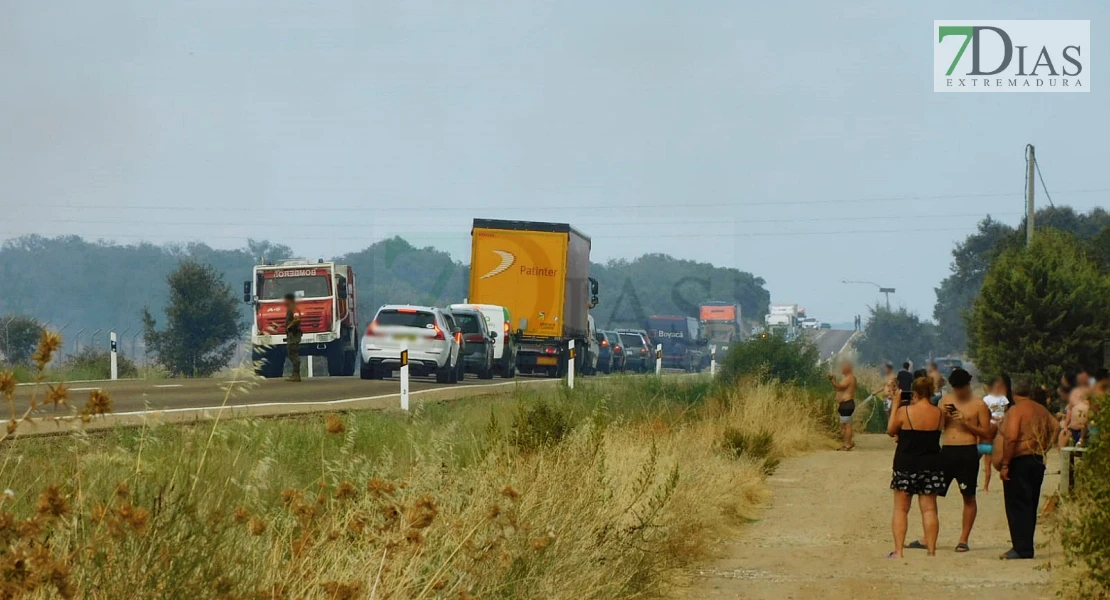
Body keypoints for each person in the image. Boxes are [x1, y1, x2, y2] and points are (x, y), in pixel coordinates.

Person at [908, 367, 991, 553]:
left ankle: (963, 539)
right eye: (955, 388)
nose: (959, 392)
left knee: (968, 495)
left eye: (962, 388)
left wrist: (966, 422)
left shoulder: (979, 405)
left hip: (967, 451)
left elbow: (987, 433)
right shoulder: (945, 401)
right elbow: (936, 426)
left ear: (968, 385)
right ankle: (928, 536)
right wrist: (943, 417)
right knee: (931, 493)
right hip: (946, 451)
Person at [994, 377, 1059, 560]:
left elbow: (1011, 438)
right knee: (1030, 503)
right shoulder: (1042, 410)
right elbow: (1056, 427)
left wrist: (1005, 464)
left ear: (1014, 394)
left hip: (1020, 461)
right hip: (1036, 459)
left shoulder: (1016, 410)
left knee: (1016, 505)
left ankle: (1021, 548)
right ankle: (1026, 546)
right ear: (1030, 394)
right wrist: (1044, 446)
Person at [887, 376, 945, 558]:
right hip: (931, 463)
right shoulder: (939, 413)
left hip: (906, 463)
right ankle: (931, 550)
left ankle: (899, 550)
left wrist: (896, 404)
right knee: (929, 509)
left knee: (901, 508)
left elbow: (891, 430)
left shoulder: (905, 411)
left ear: (914, 393)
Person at [981, 375, 1012, 492]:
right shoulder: (986, 399)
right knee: (987, 459)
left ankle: (990, 484)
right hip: (991, 426)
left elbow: (1007, 411)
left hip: (1000, 425)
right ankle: (986, 486)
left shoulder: (1003, 399)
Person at [830, 362, 858, 451]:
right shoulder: (848, 378)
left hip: (847, 404)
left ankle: (847, 444)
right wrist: (833, 381)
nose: (841, 369)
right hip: (844, 404)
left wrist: (832, 379)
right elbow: (837, 388)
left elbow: (840, 386)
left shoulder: (849, 378)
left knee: (847, 425)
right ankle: (847, 442)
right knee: (843, 424)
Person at [283, 293, 303, 382]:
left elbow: (297, 319)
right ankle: (294, 374)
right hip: (291, 334)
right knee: (291, 353)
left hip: (294, 334)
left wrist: (290, 326)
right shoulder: (291, 309)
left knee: (293, 353)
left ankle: (296, 374)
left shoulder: (293, 309)